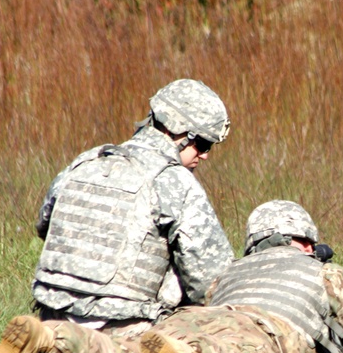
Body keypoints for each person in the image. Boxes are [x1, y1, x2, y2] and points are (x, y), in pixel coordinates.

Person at [0, 201, 343, 353]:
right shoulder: (320, 269)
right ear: (306, 243)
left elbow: (208, 299)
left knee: (132, 347)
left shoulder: (231, 270)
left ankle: (50, 342)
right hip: (265, 330)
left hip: (194, 315)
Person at [30, 78, 234, 336]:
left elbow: (44, 225)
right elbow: (211, 282)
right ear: (176, 131)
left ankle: (52, 344)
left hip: (51, 317)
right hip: (126, 328)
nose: (204, 155)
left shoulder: (85, 161)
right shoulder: (176, 181)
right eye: (203, 144)